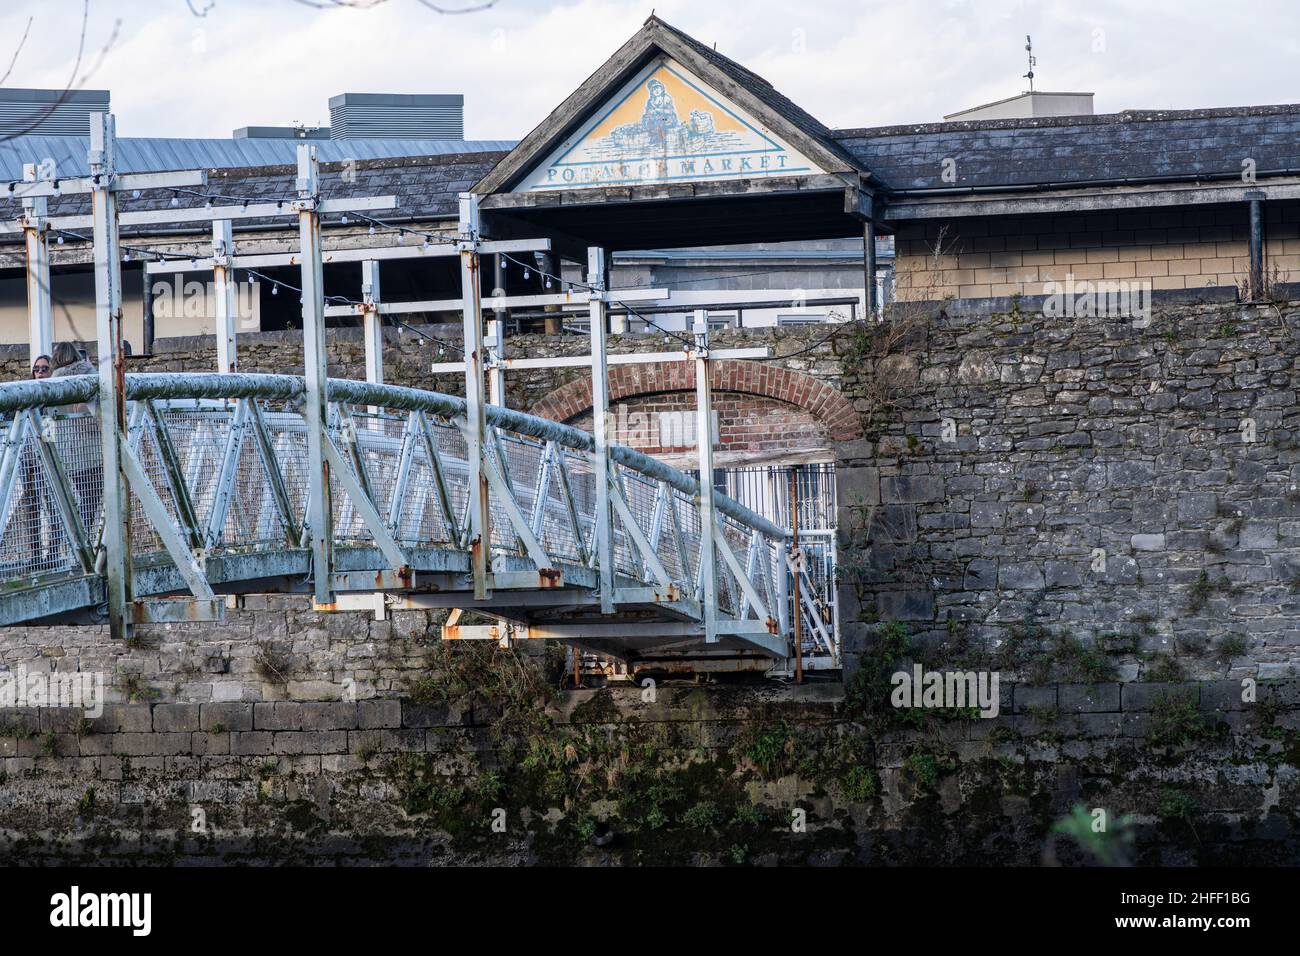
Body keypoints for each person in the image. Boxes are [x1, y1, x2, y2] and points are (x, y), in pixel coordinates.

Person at [50, 342, 102, 541]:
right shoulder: (91, 375)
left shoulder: (55, 381)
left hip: (67, 451)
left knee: (70, 501)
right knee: (91, 500)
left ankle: (74, 545)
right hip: (93, 450)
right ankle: (84, 543)